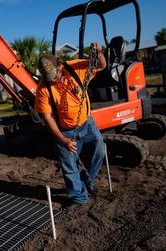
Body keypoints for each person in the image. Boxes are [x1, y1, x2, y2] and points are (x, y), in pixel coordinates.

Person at [34, 43, 107, 208]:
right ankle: (79, 198)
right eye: (48, 77)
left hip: (87, 123)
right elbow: (47, 118)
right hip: (64, 131)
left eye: (54, 75)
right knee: (68, 166)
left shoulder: (75, 68)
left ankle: (86, 182)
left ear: (60, 67)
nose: (52, 80)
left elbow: (101, 65)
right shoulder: (43, 89)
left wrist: (99, 53)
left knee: (99, 152)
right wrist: (63, 140)